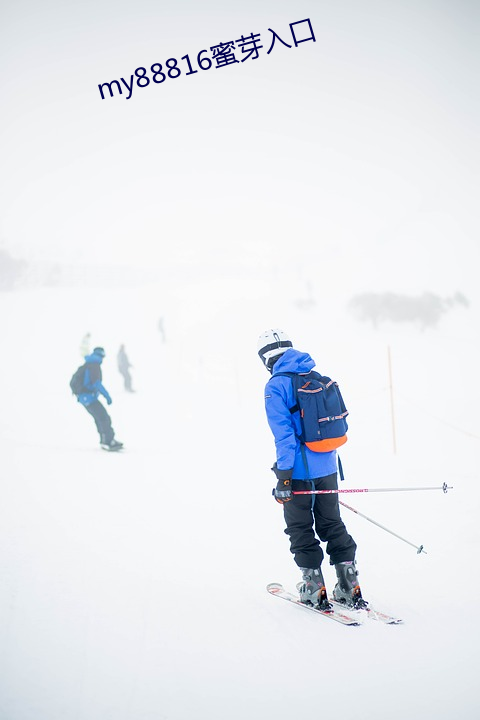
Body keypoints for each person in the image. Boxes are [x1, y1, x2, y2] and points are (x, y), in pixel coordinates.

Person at [258, 328, 366, 610]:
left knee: (300, 527)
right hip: (328, 466)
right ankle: (349, 585)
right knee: (331, 523)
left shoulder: (275, 386)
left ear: (266, 358)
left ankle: (313, 588)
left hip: (298, 472)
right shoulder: (315, 377)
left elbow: (284, 437)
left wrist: (284, 478)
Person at [76, 346, 123, 451]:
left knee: (100, 418)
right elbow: (96, 383)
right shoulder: (94, 365)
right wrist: (107, 396)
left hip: (85, 398)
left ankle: (104, 440)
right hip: (89, 398)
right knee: (104, 418)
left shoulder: (89, 363)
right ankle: (108, 441)